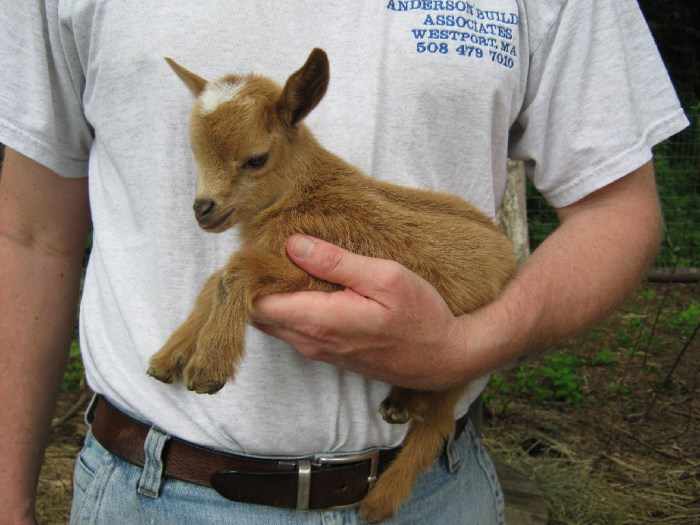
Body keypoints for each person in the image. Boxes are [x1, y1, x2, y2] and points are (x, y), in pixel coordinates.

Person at [0, 1, 688, 524]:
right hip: (149, 492)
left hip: (436, 495)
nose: (205, 203)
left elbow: (618, 210)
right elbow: (29, 234)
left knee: (241, 272)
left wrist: (466, 347)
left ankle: (212, 355)